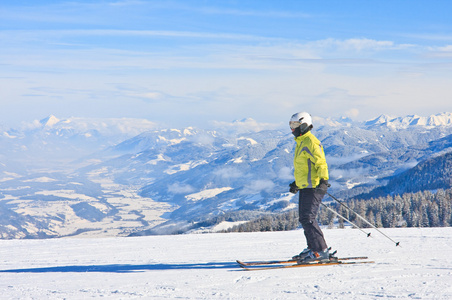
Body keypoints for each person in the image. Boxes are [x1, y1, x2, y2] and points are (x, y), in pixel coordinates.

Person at [289, 112, 331, 263]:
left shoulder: (311, 142)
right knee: (304, 218)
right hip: (306, 186)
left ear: (304, 125)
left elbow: (321, 163)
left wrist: (324, 181)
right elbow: (305, 168)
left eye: (295, 125)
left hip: (314, 186)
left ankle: (321, 250)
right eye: (291, 125)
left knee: (308, 218)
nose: (292, 129)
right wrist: (297, 183)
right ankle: (313, 247)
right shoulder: (301, 141)